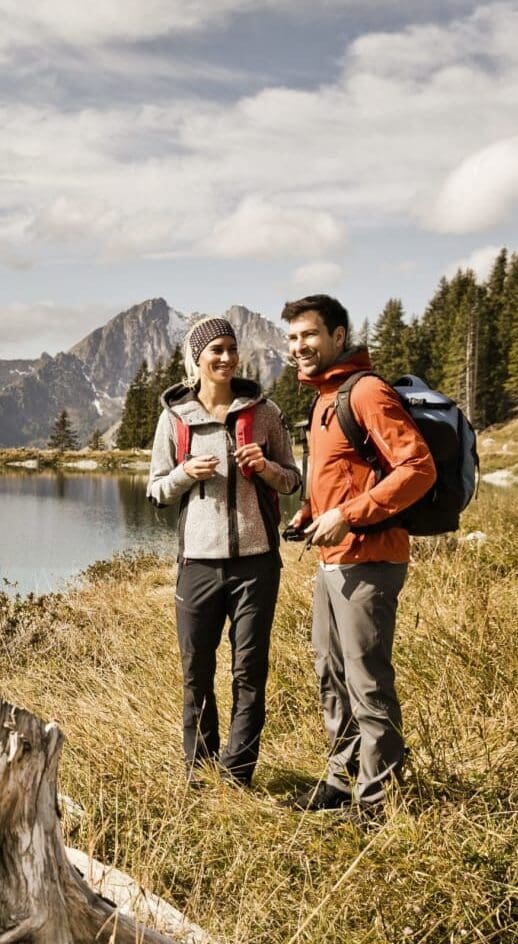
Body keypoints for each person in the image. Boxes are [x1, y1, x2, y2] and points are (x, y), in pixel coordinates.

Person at [280, 293, 436, 823]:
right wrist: (309, 511)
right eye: (293, 338)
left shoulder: (365, 391)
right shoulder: (325, 397)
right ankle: (341, 780)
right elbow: (341, 475)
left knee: (366, 679)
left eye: (310, 335)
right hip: (332, 562)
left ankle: (379, 803)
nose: (300, 346)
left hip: (370, 560)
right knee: (331, 673)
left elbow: (418, 468)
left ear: (339, 337)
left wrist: (350, 514)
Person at [147, 315, 301, 788]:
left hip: (257, 563)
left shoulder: (265, 414)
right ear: (197, 358)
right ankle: (198, 770)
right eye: (215, 349)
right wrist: (186, 473)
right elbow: (155, 491)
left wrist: (267, 468)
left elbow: (294, 481)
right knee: (197, 671)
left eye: (232, 349)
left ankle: (237, 775)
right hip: (198, 565)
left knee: (249, 670)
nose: (226, 358)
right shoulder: (174, 418)